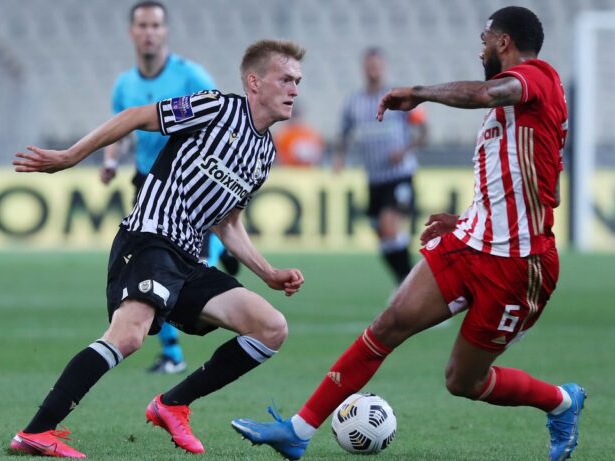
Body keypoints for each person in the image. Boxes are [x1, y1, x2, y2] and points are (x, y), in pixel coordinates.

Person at [232, 7, 585, 461]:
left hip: (518, 264)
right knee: (387, 324)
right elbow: (517, 176)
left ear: (504, 42)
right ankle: (298, 431)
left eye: (484, 41)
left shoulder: (537, 77)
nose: (480, 51)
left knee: (463, 380)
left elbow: (485, 93)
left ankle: (562, 402)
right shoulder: (517, 106)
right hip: (473, 243)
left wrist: (418, 93)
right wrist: (468, 219)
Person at [9, 39, 306, 458]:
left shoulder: (264, 153)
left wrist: (268, 272)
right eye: (286, 79)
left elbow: (227, 222)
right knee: (128, 336)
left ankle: (172, 404)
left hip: (188, 259)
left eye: (297, 82)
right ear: (255, 82)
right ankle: (36, 431)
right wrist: (72, 155)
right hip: (149, 238)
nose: (294, 89)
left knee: (271, 327)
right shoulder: (215, 108)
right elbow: (135, 116)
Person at [100, 1, 240, 374]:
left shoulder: (191, 76)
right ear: (132, 32)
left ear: (165, 31)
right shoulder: (125, 84)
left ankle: (221, 256)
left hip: (190, 187)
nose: (149, 32)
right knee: (149, 269)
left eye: (155, 25)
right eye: (142, 25)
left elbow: (222, 120)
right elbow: (120, 128)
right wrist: (110, 161)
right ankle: (173, 354)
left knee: (188, 269)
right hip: (148, 185)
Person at [333, 47, 428, 284]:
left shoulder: (398, 96)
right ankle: (405, 281)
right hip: (373, 178)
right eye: (369, 65)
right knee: (382, 235)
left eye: (376, 65)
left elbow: (423, 132)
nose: (373, 70)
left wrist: (404, 150)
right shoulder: (353, 102)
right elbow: (344, 132)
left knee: (389, 227)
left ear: (384, 67)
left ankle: (410, 284)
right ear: (363, 68)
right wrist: (340, 156)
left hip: (399, 175)